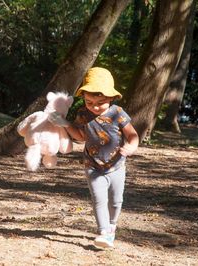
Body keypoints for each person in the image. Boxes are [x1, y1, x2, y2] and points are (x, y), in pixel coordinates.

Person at [49, 67, 139, 248]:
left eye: (100, 102)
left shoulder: (117, 113)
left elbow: (133, 135)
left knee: (116, 200)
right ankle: (103, 232)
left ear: (111, 98)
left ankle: (112, 226)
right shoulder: (83, 113)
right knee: (98, 199)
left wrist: (131, 147)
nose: (94, 106)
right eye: (89, 102)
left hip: (117, 166)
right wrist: (65, 124)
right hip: (92, 165)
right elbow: (81, 137)